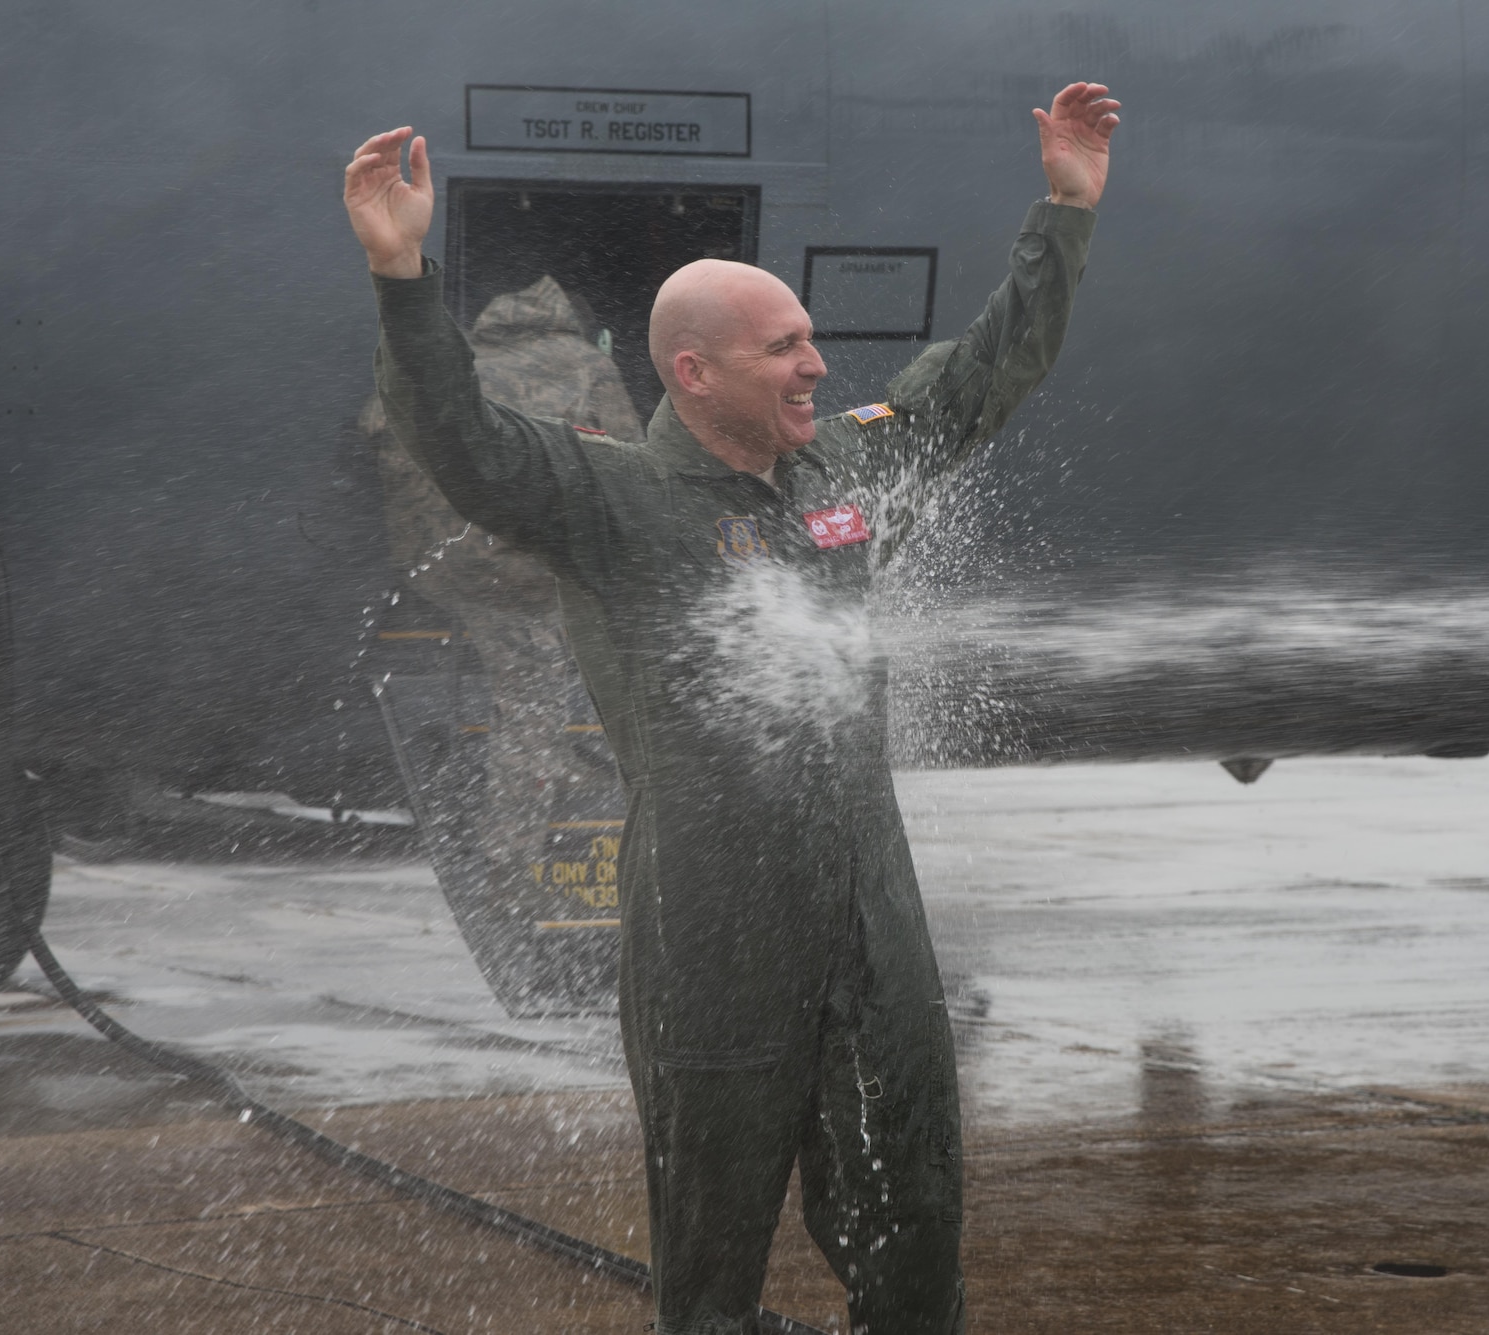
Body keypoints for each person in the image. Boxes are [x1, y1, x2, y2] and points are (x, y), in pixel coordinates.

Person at [344, 80, 1118, 1335]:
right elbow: (463, 439)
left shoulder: (844, 467)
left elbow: (975, 379)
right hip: (713, 937)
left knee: (915, 1230)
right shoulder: (608, 502)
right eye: (783, 349)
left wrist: (1064, 213)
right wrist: (400, 275)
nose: (816, 363)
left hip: (871, 918)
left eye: (810, 340)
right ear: (693, 373)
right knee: (709, 1268)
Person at [362, 276, 641, 1004]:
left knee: (533, 673)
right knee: (544, 692)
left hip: (441, 567)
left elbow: (376, 429)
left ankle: (557, 786)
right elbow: (634, 467)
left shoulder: (457, 363)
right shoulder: (586, 363)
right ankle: (513, 866)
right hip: (525, 567)